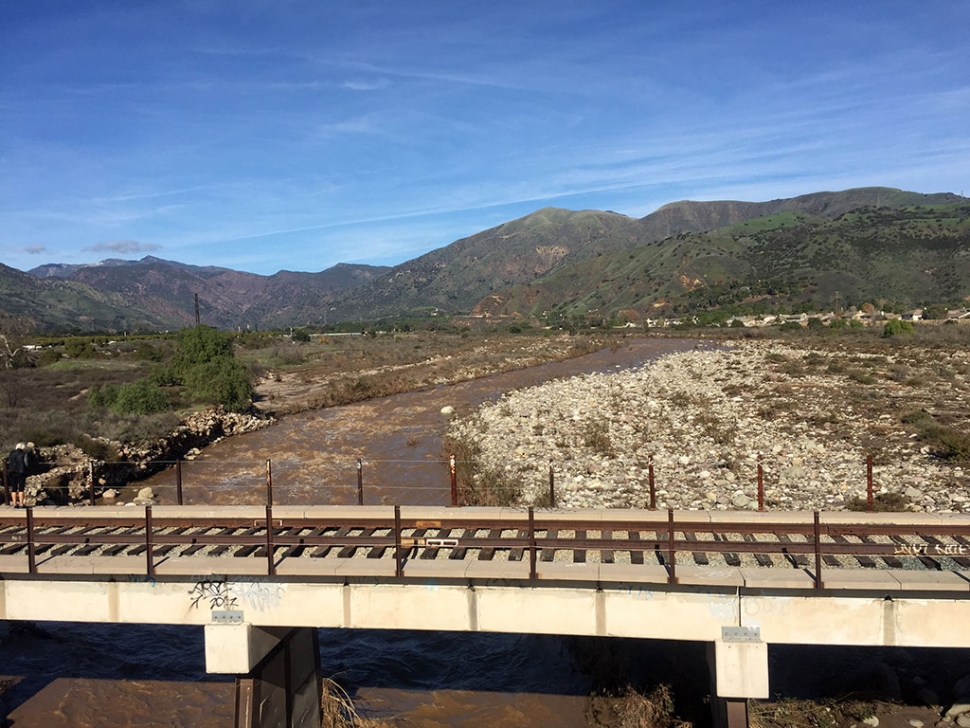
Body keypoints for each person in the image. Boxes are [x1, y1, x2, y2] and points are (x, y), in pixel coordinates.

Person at [6, 442, 30, 509]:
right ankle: (21, 504)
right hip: (21, 472)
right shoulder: (24, 454)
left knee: (14, 488)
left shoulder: (11, 453)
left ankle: (14, 503)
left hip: (12, 472)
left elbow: (9, 462)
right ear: (23, 447)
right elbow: (26, 463)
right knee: (21, 488)